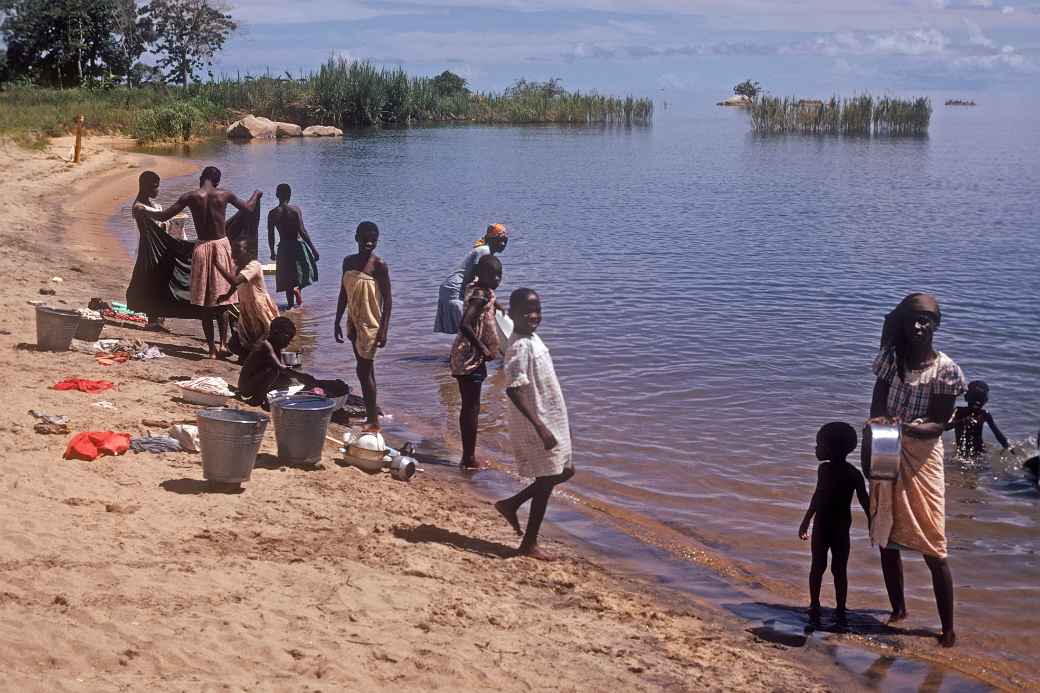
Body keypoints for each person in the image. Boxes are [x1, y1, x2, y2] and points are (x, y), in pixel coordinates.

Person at [868, 293, 966, 648]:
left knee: (934, 546)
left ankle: (948, 629)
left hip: (923, 457)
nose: (920, 326)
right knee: (886, 534)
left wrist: (905, 428)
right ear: (905, 325)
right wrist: (876, 439)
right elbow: (876, 408)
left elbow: (938, 425)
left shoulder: (946, 371)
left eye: (927, 320)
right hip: (885, 446)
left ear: (936, 326)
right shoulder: (891, 362)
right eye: (914, 320)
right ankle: (898, 610)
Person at [141, 166, 260, 358]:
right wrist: (256, 194)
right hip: (221, 247)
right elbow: (249, 208)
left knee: (205, 302)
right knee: (223, 300)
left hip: (202, 248)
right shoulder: (224, 195)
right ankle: (223, 345)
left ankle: (211, 349)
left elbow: (164, 216)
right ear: (217, 181)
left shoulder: (190, 196)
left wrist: (143, 210)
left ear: (202, 178)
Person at [494, 288, 574, 560]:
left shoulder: (532, 338)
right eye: (526, 311)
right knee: (548, 477)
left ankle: (512, 503)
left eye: (537, 309)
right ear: (512, 314)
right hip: (536, 420)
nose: (533, 315)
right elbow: (514, 389)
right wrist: (540, 427)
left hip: (550, 417)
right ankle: (529, 543)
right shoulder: (518, 346)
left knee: (565, 470)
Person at [798, 422, 870, 626]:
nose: (816, 448)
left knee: (827, 568)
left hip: (830, 527)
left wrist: (874, 524)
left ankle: (833, 607)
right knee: (831, 569)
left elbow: (864, 500)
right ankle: (821, 606)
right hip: (832, 528)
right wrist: (805, 521)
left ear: (831, 449)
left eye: (819, 444)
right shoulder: (837, 471)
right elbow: (818, 495)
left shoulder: (849, 473)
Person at [125, 171, 205, 328]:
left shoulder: (154, 206)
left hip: (160, 250)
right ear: (145, 186)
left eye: (158, 187)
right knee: (151, 282)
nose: (157, 190)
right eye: (154, 187)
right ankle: (152, 319)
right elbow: (158, 221)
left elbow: (162, 220)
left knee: (161, 282)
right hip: (149, 251)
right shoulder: (139, 208)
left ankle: (159, 318)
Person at [334, 222, 391, 431]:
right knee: (366, 370)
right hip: (353, 322)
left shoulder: (379, 265)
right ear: (356, 238)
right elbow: (343, 293)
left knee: (363, 371)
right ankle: (372, 412)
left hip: (371, 325)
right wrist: (337, 320)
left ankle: (373, 420)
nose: (369, 242)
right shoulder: (348, 262)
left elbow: (388, 300)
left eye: (373, 239)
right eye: (365, 238)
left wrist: (384, 329)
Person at [450, 255, 503, 471]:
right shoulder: (480, 295)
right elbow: (465, 324)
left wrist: (497, 305)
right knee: (471, 408)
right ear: (483, 275)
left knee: (470, 406)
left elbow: (483, 300)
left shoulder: (479, 290)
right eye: (494, 275)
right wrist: (483, 348)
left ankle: (467, 454)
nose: (498, 279)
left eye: (500, 275)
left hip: (467, 356)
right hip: (470, 357)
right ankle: (468, 458)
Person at [434, 223, 508, 334]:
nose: (503, 244)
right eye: (500, 240)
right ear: (491, 239)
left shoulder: (487, 252)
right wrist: (494, 302)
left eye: (505, 241)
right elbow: (476, 279)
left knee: (466, 330)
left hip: (452, 287)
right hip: (455, 289)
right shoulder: (484, 251)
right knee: (467, 329)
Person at [216, 238, 279, 357]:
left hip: (259, 306)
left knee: (266, 332)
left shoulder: (254, 266)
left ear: (248, 252)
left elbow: (235, 281)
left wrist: (218, 265)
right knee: (246, 334)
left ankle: (266, 356)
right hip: (246, 306)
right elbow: (236, 286)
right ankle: (249, 356)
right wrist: (227, 296)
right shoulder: (238, 267)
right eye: (234, 251)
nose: (235, 254)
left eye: (239, 251)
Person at [238, 317, 313, 407]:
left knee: (285, 380)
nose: (289, 342)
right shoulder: (265, 345)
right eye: (287, 337)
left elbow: (283, 366)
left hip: (252, 382)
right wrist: (301, 376)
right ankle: (258, 399)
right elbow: (280, 367)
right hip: (246, 388)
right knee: (273, 371)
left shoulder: (275, 345)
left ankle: (264, 396)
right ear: (275, 333)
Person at [268, 183, 319, 309]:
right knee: (301, 273)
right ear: (289, 195)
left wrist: (272, 251)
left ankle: (291, 305)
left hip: (284, 247)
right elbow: (302, 231)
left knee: (287, 278)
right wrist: (314, 249)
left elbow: (271, 235)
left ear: (277, 195)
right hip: (297, 245)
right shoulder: (295, 210)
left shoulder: (273, 213)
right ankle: (298, 291)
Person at [943, 380, 1010, 458]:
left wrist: (1007, 447)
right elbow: (945, 427)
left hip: (977, 452)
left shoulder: (984, 414)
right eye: (975, 398)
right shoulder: (958, 411)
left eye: (980, 399)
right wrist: (962, 421)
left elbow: (998, 435)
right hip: (969, 453)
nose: (977, 403)